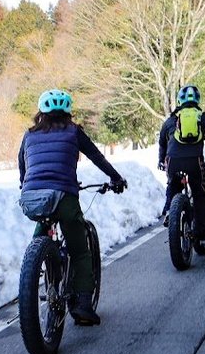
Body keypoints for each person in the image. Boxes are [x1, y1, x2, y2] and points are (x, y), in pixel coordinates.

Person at [18, 89, 128, 326]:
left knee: (40, 233)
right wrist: (116, 178)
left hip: (32, 197)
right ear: (67, 112)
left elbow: (23, 168)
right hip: (63, 195)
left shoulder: (29, 135)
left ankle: (38, 272)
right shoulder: (73, 131)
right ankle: (83, 307)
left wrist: (27, 188)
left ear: (41, 112)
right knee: (80, 251)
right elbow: (97, 157)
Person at [157, 85, 205, 248]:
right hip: (194, 162)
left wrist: (161, 161)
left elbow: (162, 143)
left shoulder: (170, 121)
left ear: (179, 101)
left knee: (173, 185)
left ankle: (171, 210)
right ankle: (203, 236)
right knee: (201, 195)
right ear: (197, 100)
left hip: (173, 162)